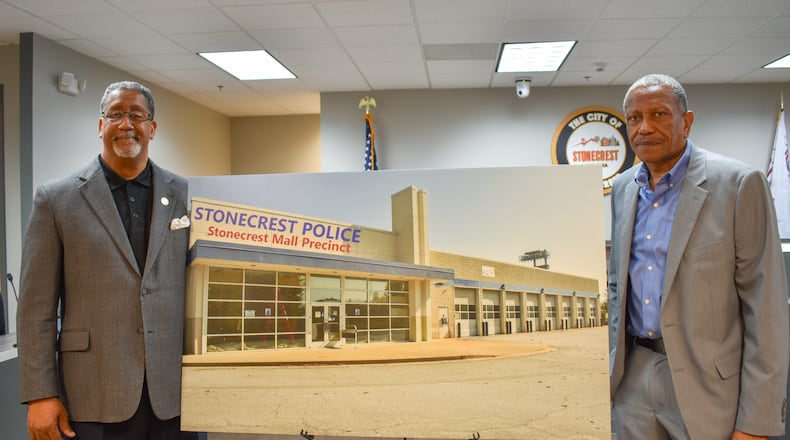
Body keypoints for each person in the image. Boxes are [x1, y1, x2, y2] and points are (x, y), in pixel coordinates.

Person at [608, 73, 789, 440]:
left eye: (659, 114)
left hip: (709, 385)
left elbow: (765, 308)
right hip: (632, 376)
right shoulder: (624, 187)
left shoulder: (739, 184)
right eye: (634, 118)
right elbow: (617, 288)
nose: (645, 127)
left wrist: (756, 421)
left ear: (686, 122)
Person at [17, 81, 196, 439]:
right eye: (115, 115)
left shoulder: (185, 194)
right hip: (94, 391)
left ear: (152, 128)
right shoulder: (56, 199)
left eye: (136, 115)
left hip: (174, 392)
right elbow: (36, 307)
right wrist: (40, 393)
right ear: (101, 126)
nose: (126, 124)